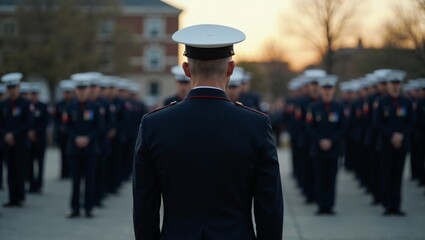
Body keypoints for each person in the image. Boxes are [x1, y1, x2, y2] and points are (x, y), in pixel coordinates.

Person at [133, 24, 283, 240]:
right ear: (230, 69)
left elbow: (144, 207)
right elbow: (270, 207)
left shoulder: (154, 124)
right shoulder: (256, 124)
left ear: (186, 69)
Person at [305, 75, 347, 215]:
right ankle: (321, 205)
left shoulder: (339, 107)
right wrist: (321, 140)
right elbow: (309, 127)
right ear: (321, 90)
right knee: (320, 177)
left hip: (334, 149)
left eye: (329, 88)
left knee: (331, 177)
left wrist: (331, 141)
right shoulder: (313, 107)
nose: (327, 91)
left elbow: (343, 127)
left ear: (333, 90)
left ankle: (330, 206)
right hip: (318, 148)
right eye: (324, 88)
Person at [374, 70, 413, 216]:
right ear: (388, 86)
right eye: (392, 84)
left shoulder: (407, 102)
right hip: (386, 144)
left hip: (401, 144)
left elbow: (411, 122)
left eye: (397, 84)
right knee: (386, 175)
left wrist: (401, 135)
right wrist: (392, 135)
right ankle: (387, 205)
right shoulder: (381, 102)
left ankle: (396, 205)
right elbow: (377, 123)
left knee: (398, 176)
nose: (395, 87)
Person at [65, 73, 100, 218]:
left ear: (88, 90)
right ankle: (74, 209)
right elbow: (66, 126)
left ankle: (88, 208)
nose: (81, 91)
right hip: (74, 149)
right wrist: (76, 138)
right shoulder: (70, 107)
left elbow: (99, 127)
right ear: (75, 90)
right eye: (79, 88)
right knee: (75, 181)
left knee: (89, 180)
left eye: (84, 88)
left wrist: (87, 138)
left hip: (90, 149)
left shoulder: (95, 107)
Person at [0, 73, 32, 207]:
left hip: (20, 142)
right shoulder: (3, 104)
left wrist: (14, 134)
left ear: (18, 87)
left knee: (20, 170)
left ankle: (20, 196)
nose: (12, 90)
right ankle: (12, 197)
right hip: (7, 142)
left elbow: (28, 123)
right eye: (9, 87)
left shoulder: (25, 104)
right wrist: (6, 134)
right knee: (10, 170)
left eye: (14, 87)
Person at [27, 83, 49, 193]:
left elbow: (46, 122)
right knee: (29, 163)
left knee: (40, 163)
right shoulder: (27, 106)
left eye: (35, 94)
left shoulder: (43, 106)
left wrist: (35, 132)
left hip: (40, 139)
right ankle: (31, 184)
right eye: (32, 94)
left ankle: (39, 185)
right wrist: (29, 132)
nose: (34, 96)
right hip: (29, 139)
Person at [53, 80, 75, 179]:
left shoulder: (74, 104)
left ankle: (71, 171)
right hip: (61, 133)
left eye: (69, 92)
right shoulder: (59, 104)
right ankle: (63, 172)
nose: (67, 94)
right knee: (62, 153)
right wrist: (60, 126)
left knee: (71, 154)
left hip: (71, 133)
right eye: (65, 92)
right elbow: (55, 118)